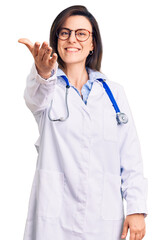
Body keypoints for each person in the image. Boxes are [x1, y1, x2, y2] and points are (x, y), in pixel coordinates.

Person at [18, 5, 148, 240]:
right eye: (64, 32)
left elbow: (130, 156)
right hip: (54, 218)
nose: (72, 39)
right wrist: (42, 72)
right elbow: (33, 98)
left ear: (92, 44)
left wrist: (136, 208)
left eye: (81, 33)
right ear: (56, 39)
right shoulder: (47, 88)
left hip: (103, 218)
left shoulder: (113, 94)